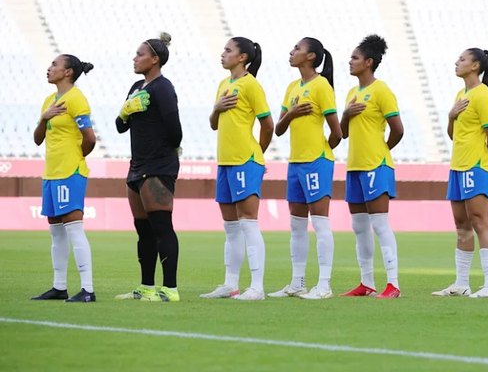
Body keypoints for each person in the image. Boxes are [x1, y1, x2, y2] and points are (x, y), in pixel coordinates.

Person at [268, 38, 342, 300]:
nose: (291, 51)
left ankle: (324, 285)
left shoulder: (321, 86)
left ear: (311, 56)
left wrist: (323, 154)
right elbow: (278, 128)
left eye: (297, 48)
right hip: (295, 162)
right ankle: (297, 282)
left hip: (316, 162)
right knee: (297, 225)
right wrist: (292, 113)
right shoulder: (291, 88)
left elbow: (337, 132)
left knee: (320, 223)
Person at [200, 37, 274, 301]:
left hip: (245, 161)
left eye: (228, 50)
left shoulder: (251, 85)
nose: (223, 54)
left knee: (248, 224)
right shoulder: (223, 84)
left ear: (242, 57)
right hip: (225, 162)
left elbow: (268, 124)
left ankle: (257, 287)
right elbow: (214, 124)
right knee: (230, 227)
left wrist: (257, 155)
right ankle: (230, 284)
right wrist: (216, 108)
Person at [114, 33, 183, 302]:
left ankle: (170, 289)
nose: (135, 57)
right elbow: (120, 127)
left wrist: (163, 153)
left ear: (155, 59)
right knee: (143, 229)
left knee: (161, 226)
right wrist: (126, 111)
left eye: (140, 54)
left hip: (158, 166)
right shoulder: (136, 87)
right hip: (137, 165)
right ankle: (146, 287)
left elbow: (175, 131)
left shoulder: (163, 88)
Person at [339, 35, 404, 299]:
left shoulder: (382, 90)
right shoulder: (352, 93)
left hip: (376, 165)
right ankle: (366, 282)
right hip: (354, 166)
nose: (350, 61)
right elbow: (343, 133)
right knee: (358, 227)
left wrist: (381, 151)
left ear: (368, 62)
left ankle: (393, 283)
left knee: (379, 224)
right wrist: (346, 114)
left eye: (355, 58)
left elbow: (398, 129)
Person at [433, 48, 488, 298]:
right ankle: (461, 283)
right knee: (462, 225)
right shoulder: (461, 94)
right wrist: (451, 117)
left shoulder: (483, 95)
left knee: (480, 222)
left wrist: (485, 163)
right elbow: (454, 135)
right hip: (457, 166)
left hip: (475, 166)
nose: (456, 62)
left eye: (462, 59)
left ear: (475, 66)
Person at [31, 55, 96, 303]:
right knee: (55, 231)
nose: (49, 68)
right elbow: (38, 139)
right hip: (50, 173)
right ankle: (59, 287)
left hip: (69, 172)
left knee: (74, 228)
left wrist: (75, 159)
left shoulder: (76, 98)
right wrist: (44, 117)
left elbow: (89, 138)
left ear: (68, 72)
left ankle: (87, 289)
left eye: (54, 65)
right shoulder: (50, 101)